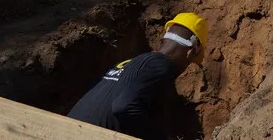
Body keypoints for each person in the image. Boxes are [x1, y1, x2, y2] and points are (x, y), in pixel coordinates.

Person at [67, 13, 208, 140]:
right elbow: (124, 107)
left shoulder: (130, 64)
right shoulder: (161, 65)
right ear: (189, 53)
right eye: (189, 63)